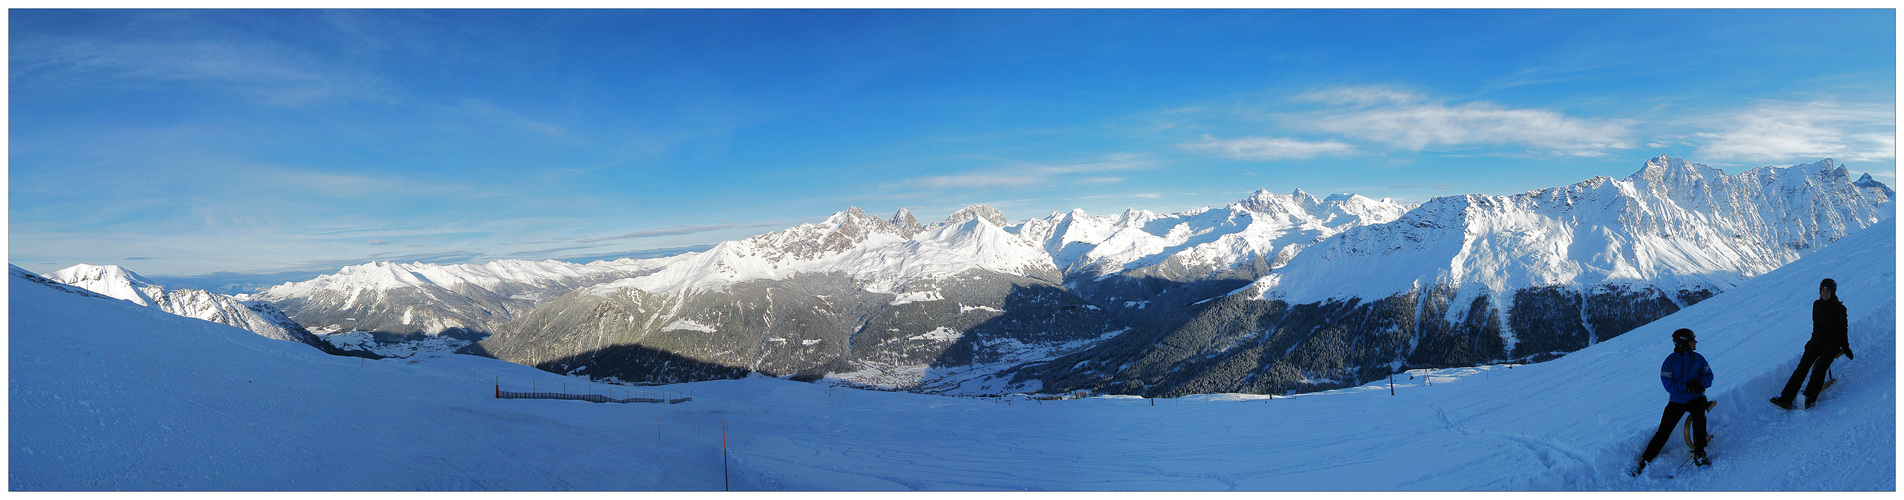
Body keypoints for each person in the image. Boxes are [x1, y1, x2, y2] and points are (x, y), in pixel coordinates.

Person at [1633, 328, 1713, 475]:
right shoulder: (1669, 362)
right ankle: (1646, 459)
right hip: (1677, 400)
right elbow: (1668, 385)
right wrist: (1687, 386)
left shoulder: (1698, 359)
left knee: (1699, 419)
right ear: (1683, 343)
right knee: (1664, 429)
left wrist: (1700, 384)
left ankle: (1700, 453)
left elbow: (1709, 376)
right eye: (1692, 340)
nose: (1695, 342)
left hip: (1696, 397)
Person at [1770, 278, 1853, 410]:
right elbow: (1816, 326)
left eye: (1827, 291)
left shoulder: (1839, 308)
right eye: (1823, 290)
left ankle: (1809, 397)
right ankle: (1786, 398)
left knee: (1820, 367)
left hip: (1831, 344)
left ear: (1833, 292)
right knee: (1803, 366)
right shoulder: (1817, 305)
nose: (1825, 293)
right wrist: (1811, 342)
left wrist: (1846, 347)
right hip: (1816, 341)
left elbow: (1843, 329)